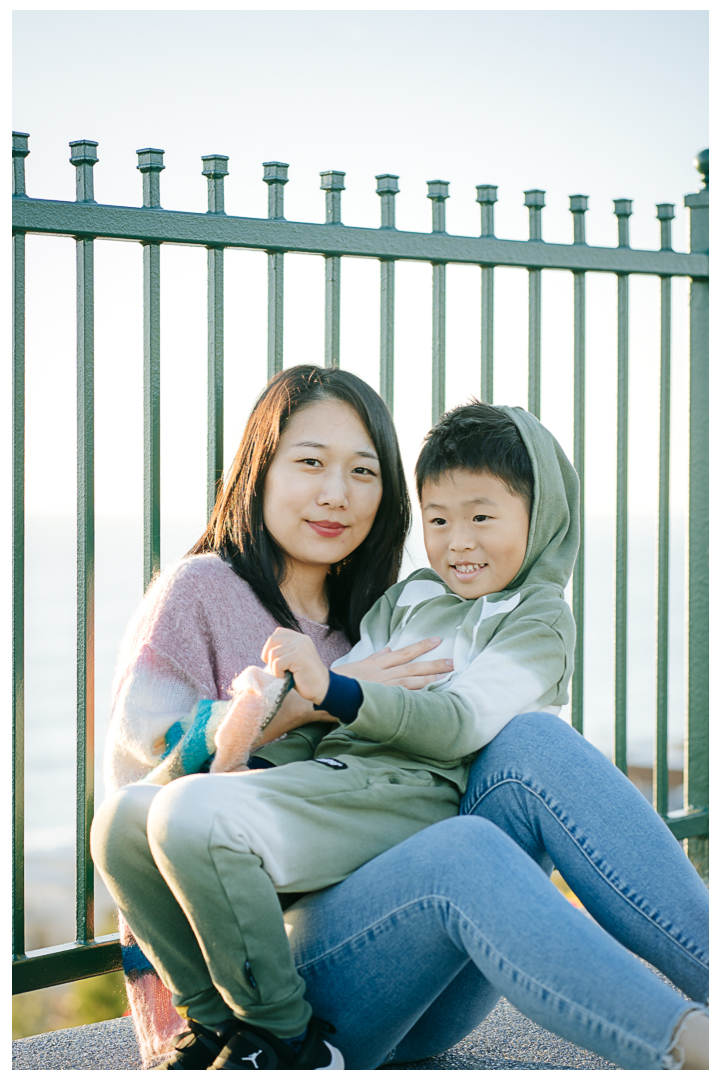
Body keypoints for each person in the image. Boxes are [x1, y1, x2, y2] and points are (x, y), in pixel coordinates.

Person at [93, 369, 708, 1071]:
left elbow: (432, 737)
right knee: (461, 850)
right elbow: (144, 788)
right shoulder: (202, 590)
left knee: (531, 739)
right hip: (277, 969)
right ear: (258, 471)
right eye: (311, 462)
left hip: (409, 972)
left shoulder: (385, 601)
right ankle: (688, 1046)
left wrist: (340, 693)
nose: (337, 493)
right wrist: (295, 704)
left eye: (363, 471)